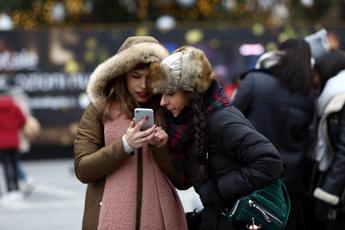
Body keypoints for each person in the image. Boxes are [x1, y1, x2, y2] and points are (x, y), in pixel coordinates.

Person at [150, 46, 283, 230]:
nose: (163, 102)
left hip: (239, 220)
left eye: (170, 93)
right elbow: (185, 180)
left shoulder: (221, 120)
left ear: (191, 92)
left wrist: (219, 191)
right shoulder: (190, 124)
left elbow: (270, 161)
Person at [74, 36, 188, 230]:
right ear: (122, 74)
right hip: (107, 219)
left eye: (150, 77)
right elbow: (83, 170)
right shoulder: (99, 108)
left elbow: (183, 180)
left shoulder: (167, 108)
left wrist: (160, 148)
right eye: (135, 76)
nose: (143, 85)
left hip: (160, 219)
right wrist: (125, 145)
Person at [232, 38, 316, 229]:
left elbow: (230, 120)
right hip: (291, 179)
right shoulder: (310, 94)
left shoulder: (254, 81)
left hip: (251, 172)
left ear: (278, 56)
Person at [311, 49, 345, 229]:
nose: (314, 80)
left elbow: (344, 153)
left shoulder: (340, 101)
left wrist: (327, 193)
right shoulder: (330, 98)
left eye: (316, 73)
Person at [0, 89, 27, 203]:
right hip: (14, 140)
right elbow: (23, 119)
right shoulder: (14, 105)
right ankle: (16, 190)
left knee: (6, 167)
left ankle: (9, 190)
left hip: (2, 142)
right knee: (15, 165)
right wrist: (16, 128)